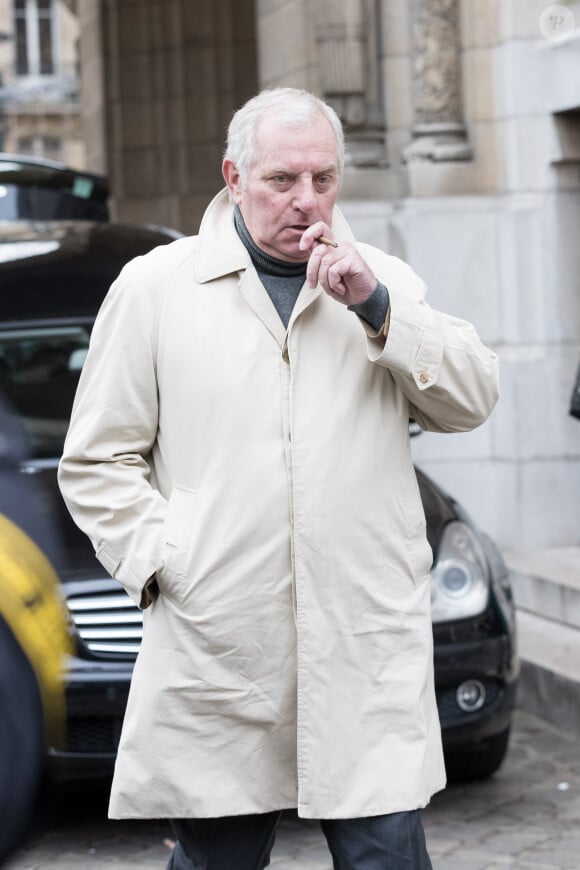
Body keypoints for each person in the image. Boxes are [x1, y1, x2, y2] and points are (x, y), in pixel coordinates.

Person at [58, 87, 499, 869]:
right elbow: (97, 461)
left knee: (388, 856)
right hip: (222, 643)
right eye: (281, 181)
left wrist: (377, 305)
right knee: (218, 860)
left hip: (361, 642)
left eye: (323, 180)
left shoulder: (382, 280)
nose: (306, 202)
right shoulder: (156, 290)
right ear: (234, 177)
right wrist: (169, 562)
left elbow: (471, 399)